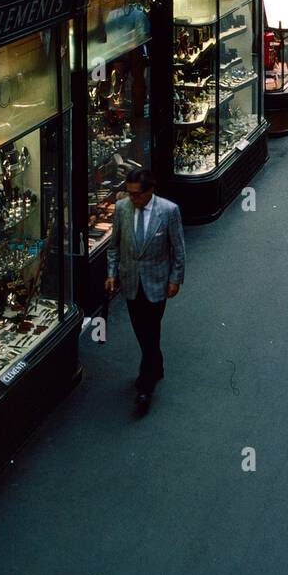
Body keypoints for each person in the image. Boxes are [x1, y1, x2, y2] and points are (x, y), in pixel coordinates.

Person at [105, 169, 186, 410]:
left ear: (150, 190)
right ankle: (156, 363)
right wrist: (111, 274)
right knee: (141, 329)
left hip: (157, 281)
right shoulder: (122, 209)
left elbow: (179, 249)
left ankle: (145, 385)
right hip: (131, 281)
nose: (133, 199)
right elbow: (113, 246)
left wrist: (175, 279)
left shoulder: (169, 211)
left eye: (137, 195)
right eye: (129, 194)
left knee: (150, 330)